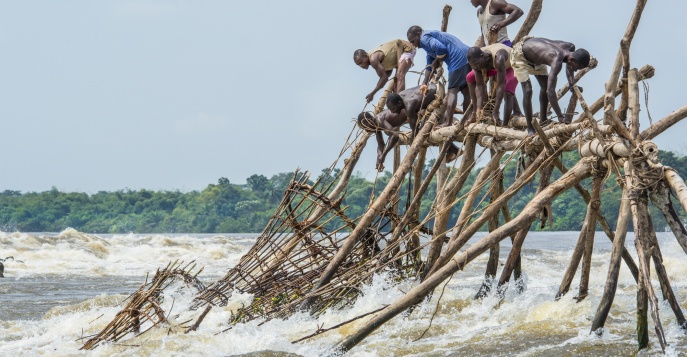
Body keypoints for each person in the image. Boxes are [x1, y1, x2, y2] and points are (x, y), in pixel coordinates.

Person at [510, 37, 591, 135]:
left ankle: (543, 119)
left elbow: (569, 67)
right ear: (572, 60)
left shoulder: (570, 47)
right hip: (521, 55)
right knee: (528, 91)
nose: (576, 70)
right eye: (578, 68)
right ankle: (530, 128)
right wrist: (560, 116)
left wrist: (572, 85)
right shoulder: (557, 61)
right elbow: (550, 92)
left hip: (536, 59)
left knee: (544, 85)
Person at [406, 26, 471, 126]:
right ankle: (467, 120)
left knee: (452, 93)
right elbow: (429, 66)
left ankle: (448, 122)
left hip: (457, 60)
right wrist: (424, 83)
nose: (413, 45)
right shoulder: (428, 43)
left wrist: (437, 61)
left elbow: (441, 49)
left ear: (418, 35)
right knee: (466, 91)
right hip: (468, 57)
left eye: (413, 41)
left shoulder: (424, 39)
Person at [465, 44, 518, 127]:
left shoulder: (498, 57)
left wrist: (495, 111)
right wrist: (479, 107)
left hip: (511, 65)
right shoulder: (476, 61)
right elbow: (480, 85)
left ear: (482, 56)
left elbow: (500, 85)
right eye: (473, 65)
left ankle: (504, 125)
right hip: (494, 67)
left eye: (476, 64)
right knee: (469, 77)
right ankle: (475, 113)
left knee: (508, 90)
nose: (475, 67)